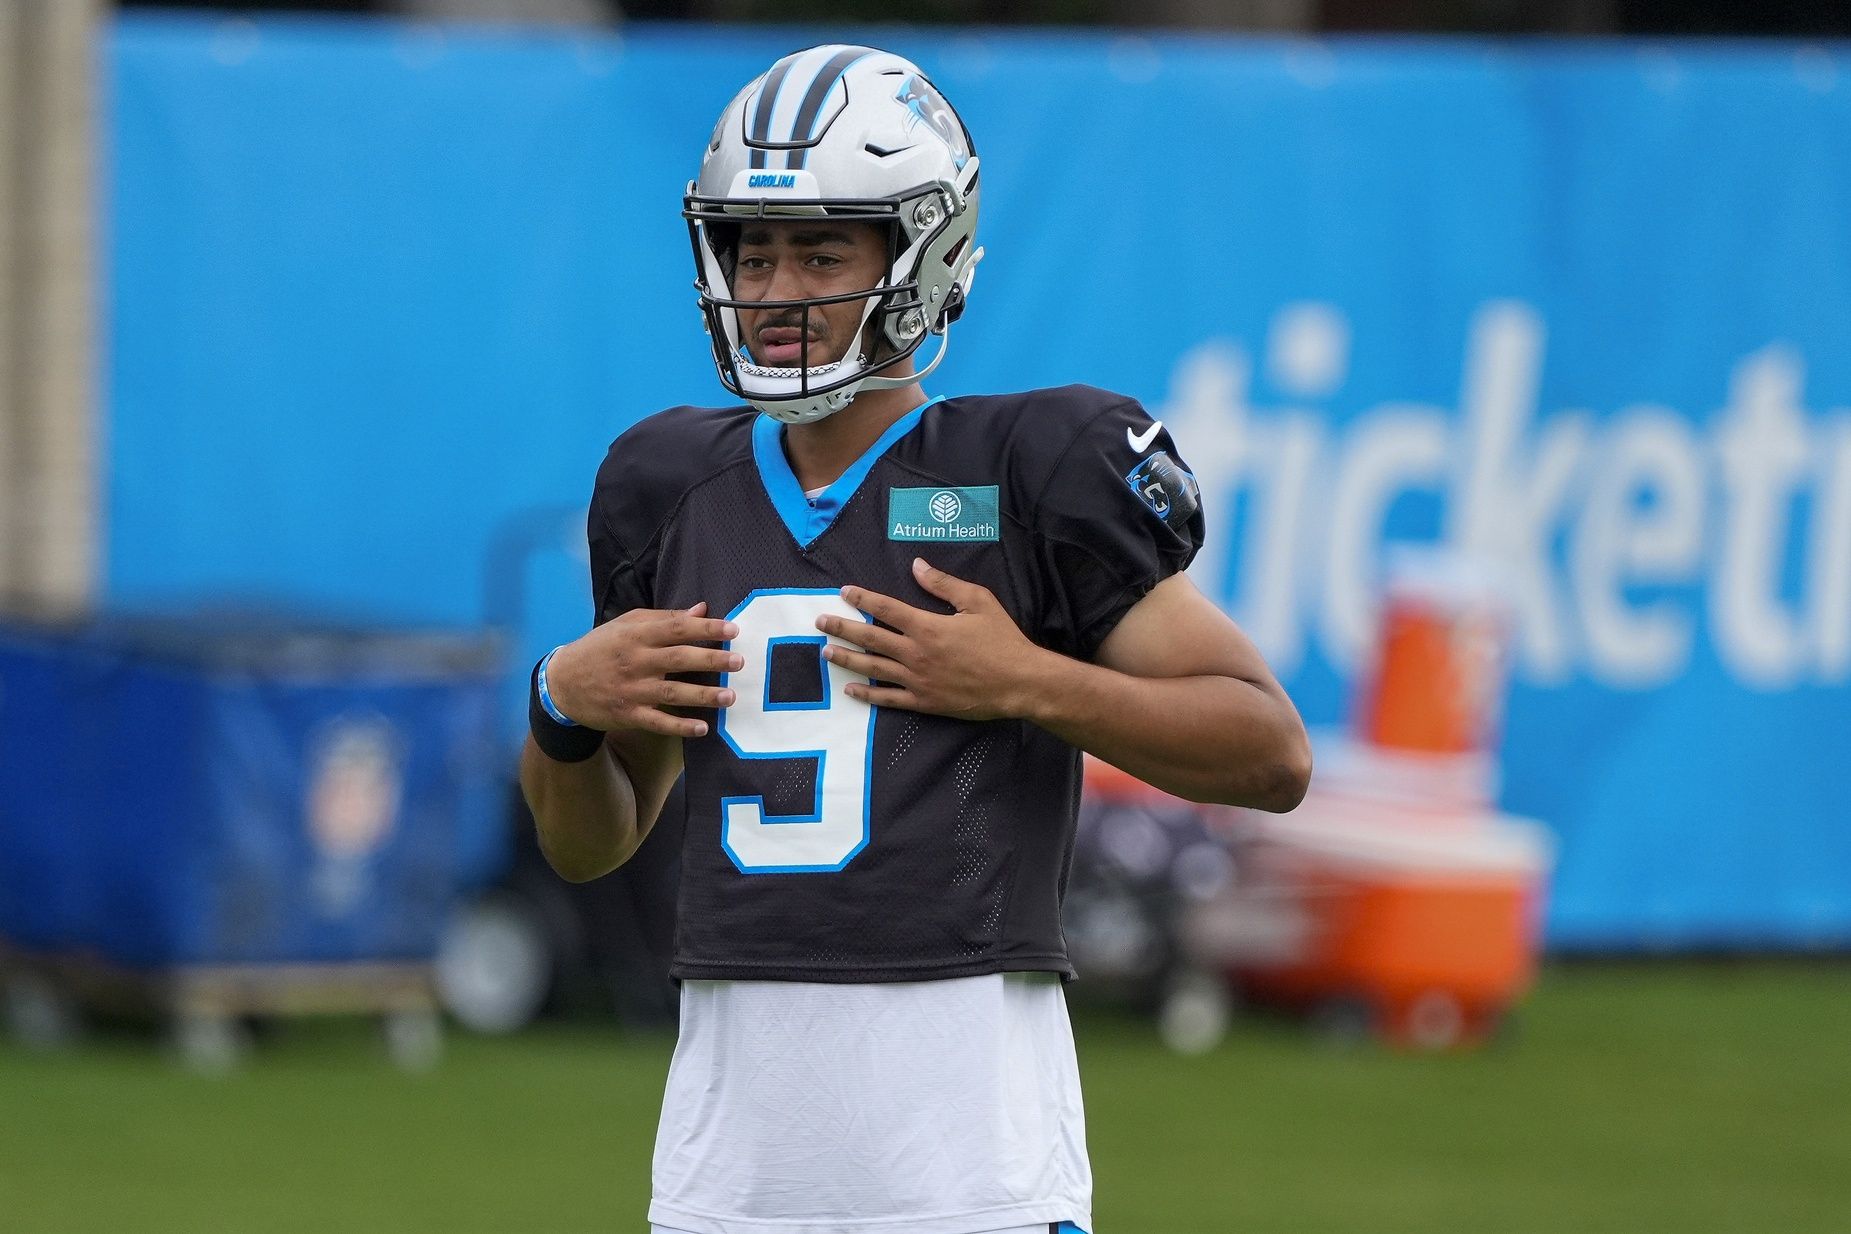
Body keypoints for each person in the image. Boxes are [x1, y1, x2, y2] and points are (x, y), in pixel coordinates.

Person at [520, 44, 1311, 1234]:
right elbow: (593, 846)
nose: (777, 286)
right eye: (753, 247)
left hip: (969, 1158)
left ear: (921, 253)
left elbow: (1271, 750)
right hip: (729, 1162)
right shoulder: (670, 485)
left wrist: (1030, 682)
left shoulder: (1029, 473)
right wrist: (559, 709)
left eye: (822, 249)